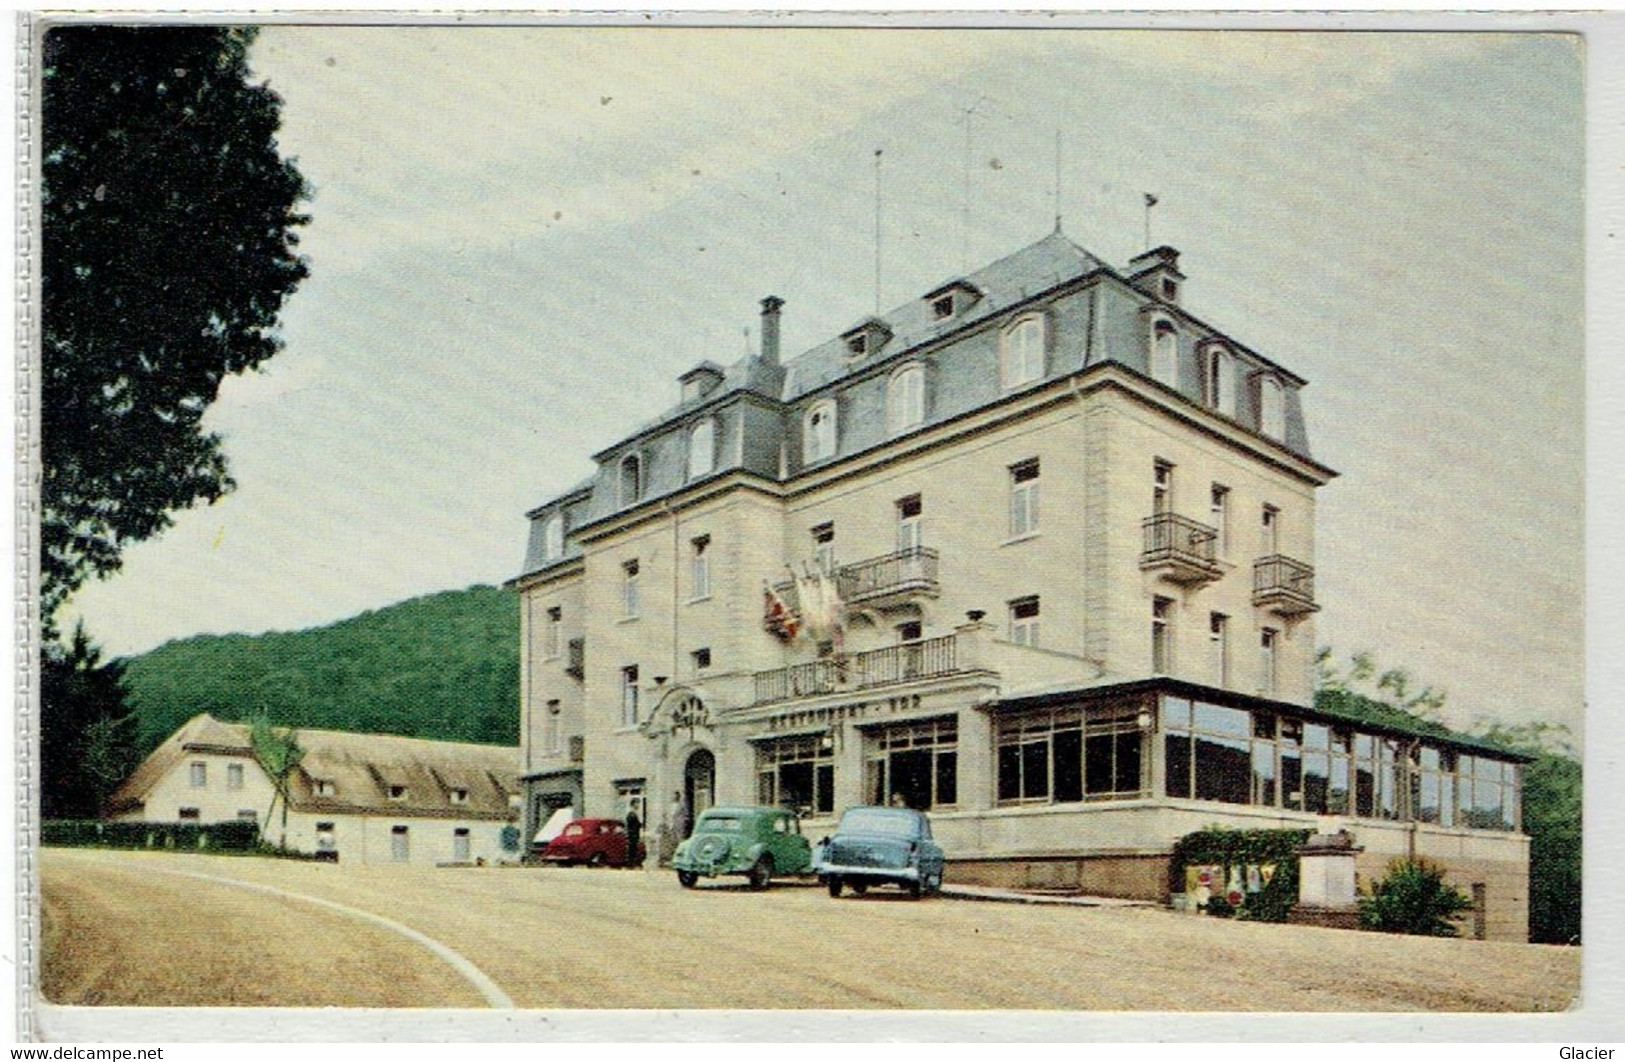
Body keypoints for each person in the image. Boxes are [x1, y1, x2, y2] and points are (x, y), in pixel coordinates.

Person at [623, 804, 643, 869]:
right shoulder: (632, 814)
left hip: (632, 834)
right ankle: (630, 863)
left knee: (633, 849)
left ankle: (631, 863)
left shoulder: (632, 814)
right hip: (633, 835)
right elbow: (634, 824)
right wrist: (639, 825)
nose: (638, 806)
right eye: (636, 804)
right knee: (632, 849)